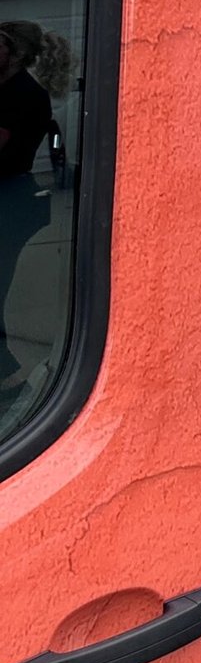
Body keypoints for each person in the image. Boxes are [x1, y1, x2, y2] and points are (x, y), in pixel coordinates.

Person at [0, 20, 57, 390]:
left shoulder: (22, 94)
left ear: (15, 52)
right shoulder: (9, 89)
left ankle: (10, 380)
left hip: (11, 200)